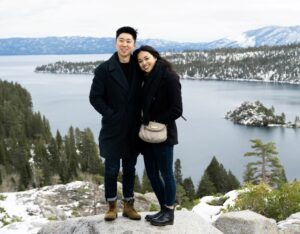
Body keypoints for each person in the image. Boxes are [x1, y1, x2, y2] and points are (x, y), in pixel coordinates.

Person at [89, 26, 142, 221]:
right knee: (111, 169)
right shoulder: (104, 69)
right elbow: (95, 98)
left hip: (133, 127)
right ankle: (111, 206)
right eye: (121, 40)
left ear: (134, 44)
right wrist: (111, 114)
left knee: (130, 169)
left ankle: (129, 205)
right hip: (113, 127)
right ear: (116, 42)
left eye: (129, 41)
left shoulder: (139, 66)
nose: (125, 44)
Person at [134, 45, 183, 226]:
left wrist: (156, 121)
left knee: (166, 173)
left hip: (163, 134)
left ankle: (169, 213)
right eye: (140, 61)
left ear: (155, 57)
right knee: (153, 174)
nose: (144, 63)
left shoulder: (169, 77)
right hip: (147, 134)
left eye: (146, 58)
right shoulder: (145, 79)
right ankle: (163, 209)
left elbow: (177, 110)